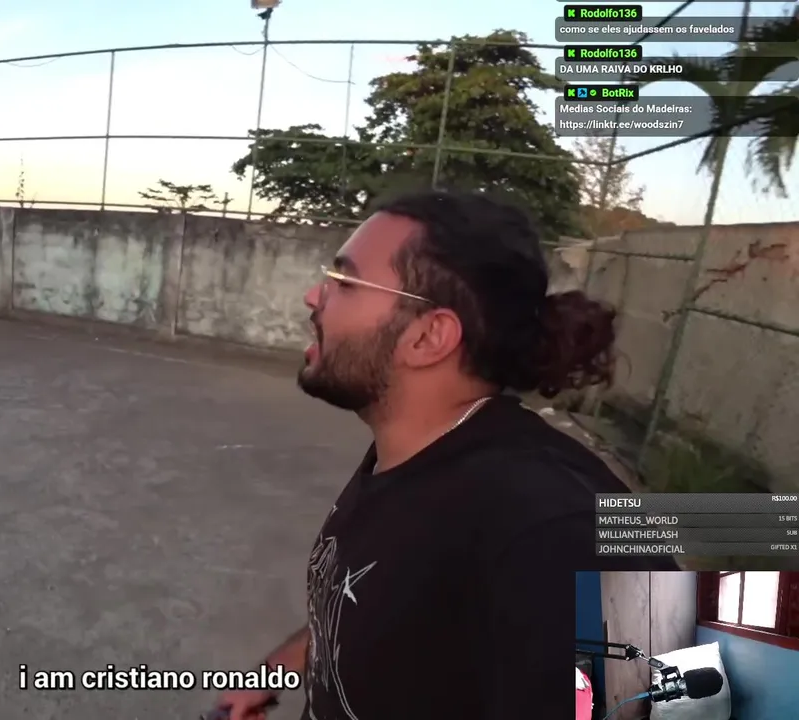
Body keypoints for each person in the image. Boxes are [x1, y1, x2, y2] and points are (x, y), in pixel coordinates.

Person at [212, 190, 677, 720]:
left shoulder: (556, 530)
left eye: (345, 281)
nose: (314, 295)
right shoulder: (415, 451)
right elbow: (377, 611)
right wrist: (277, 668)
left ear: (428, 337)